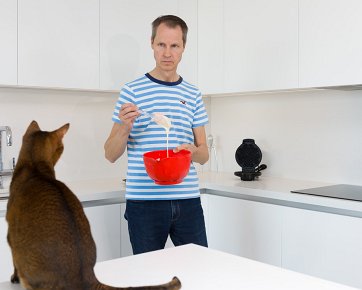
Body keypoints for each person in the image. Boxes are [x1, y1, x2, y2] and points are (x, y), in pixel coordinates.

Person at [104, 15, 209, 255]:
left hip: (187, 201)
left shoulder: (192, 94)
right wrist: (124, 127)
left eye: (175, 46)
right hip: (144, 204)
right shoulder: (132, 91)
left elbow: (203, 155)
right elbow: (110, 154)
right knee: (147, 277)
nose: (167, 53)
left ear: (184, 48)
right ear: (152, 43)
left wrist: (193, 151)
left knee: (199, 269)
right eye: (161, 44)